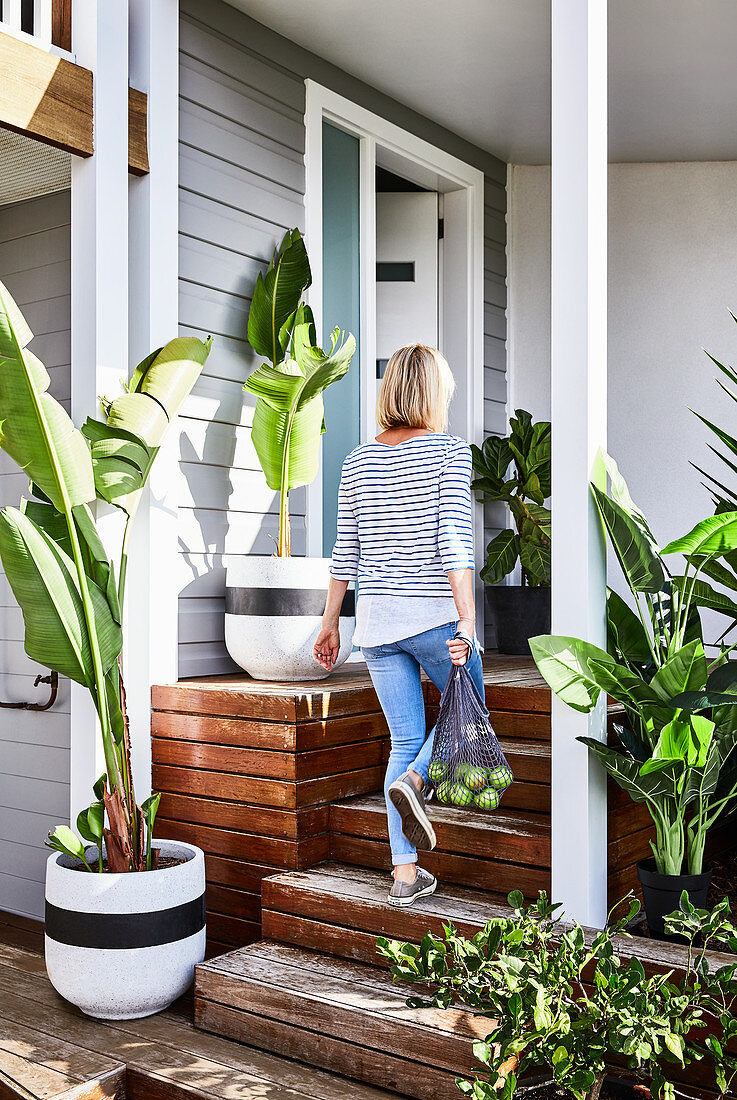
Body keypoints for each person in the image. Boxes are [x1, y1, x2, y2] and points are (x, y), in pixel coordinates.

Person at [313, 344, 484, 907]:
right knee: (467, 719)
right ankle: (417, 783)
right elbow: (456, 541)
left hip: (379, 627)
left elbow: (347, 550)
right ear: (434, 393)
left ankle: (405, 875)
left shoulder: (358, 460)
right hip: (436, 616)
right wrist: (467, 617)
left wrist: (330, 623)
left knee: (405, 739)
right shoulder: (450, 454)